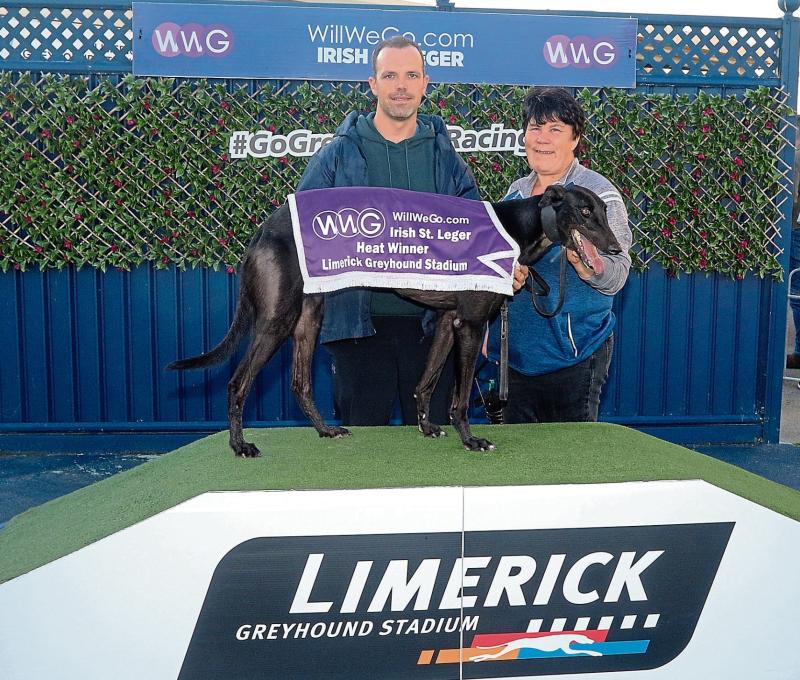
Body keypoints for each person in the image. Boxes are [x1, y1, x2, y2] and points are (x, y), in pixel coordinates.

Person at [296, 36, 479, 426]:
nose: (401, 85)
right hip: (357, 328)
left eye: (411, 75)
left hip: (432, 330)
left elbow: (474, 238)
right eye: (390, 75)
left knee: (434, 448)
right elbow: (304, 231)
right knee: (362, 451)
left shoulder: (447, 160)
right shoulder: (338, 153)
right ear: (373, 84)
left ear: (425, 84)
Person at [486, 87, 632, 423]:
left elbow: (617, 274)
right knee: (516, 464)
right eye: (535, 128)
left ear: (575, 139)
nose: (542, 139)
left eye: (555, 130)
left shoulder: (598, 193)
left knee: (570, 465)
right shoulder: (515, 194)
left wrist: (587, 266)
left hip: (575, 356)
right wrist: (505, 274)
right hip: (517, 361)